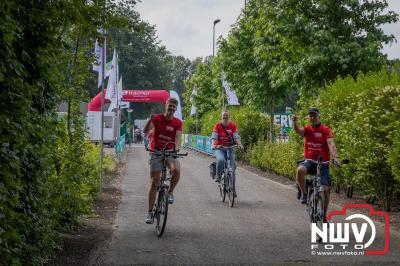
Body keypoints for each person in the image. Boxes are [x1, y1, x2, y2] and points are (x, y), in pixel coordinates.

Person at [292, 107, 341, 214]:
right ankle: (304, 194)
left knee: (326, 190)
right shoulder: (307, 129)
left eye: (314, 115)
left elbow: (331, 144)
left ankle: (323, 215)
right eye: (311, 116)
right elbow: (298, 131)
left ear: (319, 117)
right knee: (300, 170)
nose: (312, 118)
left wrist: (336, 158)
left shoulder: (325, 130)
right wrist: (295, 122)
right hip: (309, 161)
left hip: (323, 163)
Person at [142, 98, 183, 224]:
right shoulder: (158, 118)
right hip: (157, 151)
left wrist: (176, 149)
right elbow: (145, 131)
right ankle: (149, 213)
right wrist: (150, 119)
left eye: (173, 107)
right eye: (169, 106)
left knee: (176, 170)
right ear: (166, 106)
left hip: (170, 151)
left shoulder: (178, 122)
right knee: (155, 182)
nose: (171, 109)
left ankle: (170, 192)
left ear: (175, 109)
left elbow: (178, 137)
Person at [210, 111, 243, 193]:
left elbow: (236, 136)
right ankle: (217, 175)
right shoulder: (217, 125)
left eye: (226, 115)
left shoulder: (232, 125)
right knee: (221, 160)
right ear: (221, 117)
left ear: (229, 116)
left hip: (230, 148)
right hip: (220, 148)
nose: (225, 117)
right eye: (224, 116)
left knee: (232, 167)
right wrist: (214, 144)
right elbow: (214, 136)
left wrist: (239, 144)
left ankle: (232, 188)